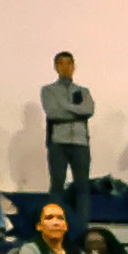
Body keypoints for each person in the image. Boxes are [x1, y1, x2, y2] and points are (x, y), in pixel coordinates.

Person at [41, 51, 94, 232]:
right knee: (57, 184)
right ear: (56, 67)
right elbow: (52, 112)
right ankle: (53, 224)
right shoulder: (48, 90)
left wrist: (64, 106)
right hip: (58, 142)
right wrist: (76, 111)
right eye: (61, 64)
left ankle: (82, 228)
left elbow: (89, 109)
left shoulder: (83, 91)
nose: (65, 67)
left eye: (69, 64)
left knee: (82, 186)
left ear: (74, 66)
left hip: (80, 143)